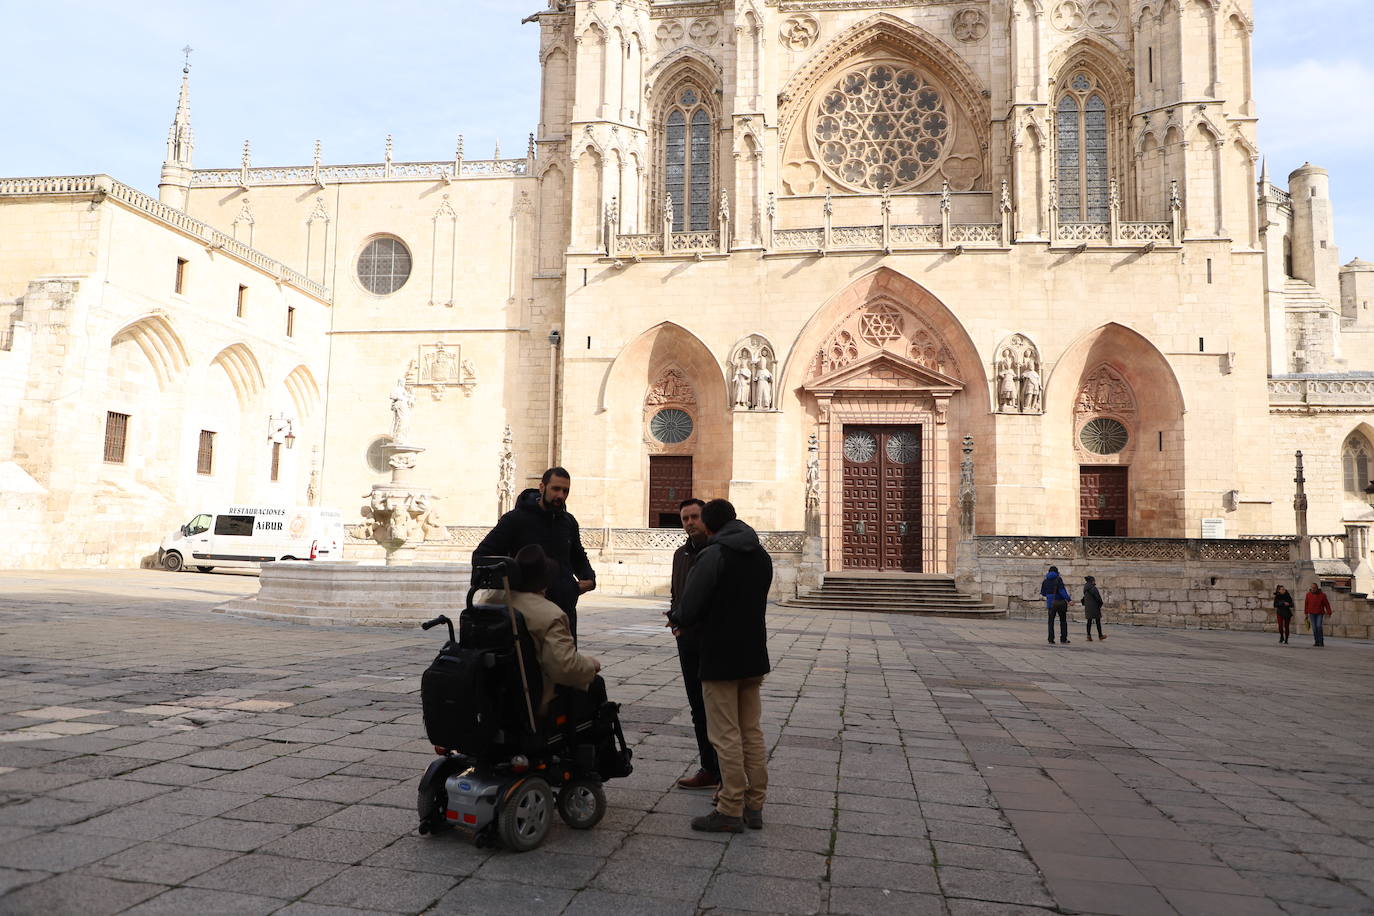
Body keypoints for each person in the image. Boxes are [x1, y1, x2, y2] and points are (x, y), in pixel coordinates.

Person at [668, 499, 771, 834]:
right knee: (751, 732)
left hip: (720, 656)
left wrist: (677, 619)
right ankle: (754, 805)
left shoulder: (713, 554)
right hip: (753, 654)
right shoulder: (761, 555)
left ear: (710, 526)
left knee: (725, 734)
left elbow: (691, 603)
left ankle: (729, 807)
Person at [474, 545, 601, 717]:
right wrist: (589, 665)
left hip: (487, 695)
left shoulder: (487, 599)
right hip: (528, 701)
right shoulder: (549, 613)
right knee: (596, 685)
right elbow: (564, 668)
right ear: (545, 582)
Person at [473, 467, 595, 642]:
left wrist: (588, 579)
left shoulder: (568, 522)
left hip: (563, 611)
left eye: (565, 491)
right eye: (555, 489)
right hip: (527, 615)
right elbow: (482, 556)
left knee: (564, 666)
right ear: (542, 487)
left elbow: (577, 556)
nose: (560, 495)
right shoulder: (514, 520)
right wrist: (517, 584)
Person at [666, 498, 719, 792]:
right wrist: (675, 622)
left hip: (712, 641)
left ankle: (726, 771)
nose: (689, 523)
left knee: (718, 709)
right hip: (687, 641)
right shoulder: (680, 554)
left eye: (694, 517)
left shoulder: (718, 553)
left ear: (706, 518)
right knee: (697, 706)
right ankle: (708, 768)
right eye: (685, 518)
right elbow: (677, 592)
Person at [1041, 565, 1071, 645]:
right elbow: (1062, 591)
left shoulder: (1045, 581)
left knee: (1050, 622)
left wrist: (1049, 596)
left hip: (1051, 603)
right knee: (1063, 621)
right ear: (1056, 571)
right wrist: (1069, 600)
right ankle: (1063, 638)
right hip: (1060, 602)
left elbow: (1043, 593)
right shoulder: (1058, 579)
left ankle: (1051, 639)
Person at [1303, 581, 1332, 647]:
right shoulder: (1308, 595)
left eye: (1314, 588)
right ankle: (1316, 641)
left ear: (1317, 588)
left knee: (1319, 626)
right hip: (1311, 613)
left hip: (1319, 613)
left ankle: (1321, 641)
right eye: (1312, 588)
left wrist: (1329, 612)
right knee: (1314, 628)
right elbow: (1306, 604)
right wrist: (1306, 613)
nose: (1313, 589)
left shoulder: (1322, 595)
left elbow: (1326, 604)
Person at [1082, 575, 1105, 642]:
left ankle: (1088, 636)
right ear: (1092, 581)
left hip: (1088, 607)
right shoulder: (1093, 588)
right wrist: (1100, 604)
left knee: (1089, 621)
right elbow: (1098, 598)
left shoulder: (1085, 587)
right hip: (1094, 606)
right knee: (1098, 621)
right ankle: (1100, 635)